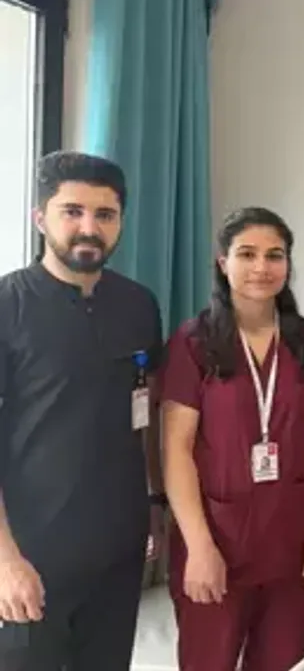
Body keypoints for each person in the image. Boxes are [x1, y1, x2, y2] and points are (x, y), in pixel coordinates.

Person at [0, 151, 165, 669]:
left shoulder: (139, 305)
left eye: (105, 214)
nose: (89, 228)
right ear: (40, 217)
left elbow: (147, 411)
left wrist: (155, 507)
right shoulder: (9, 305)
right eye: (72, 211)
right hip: (33, 554)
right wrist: (5, 560)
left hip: (118, 552)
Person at [160, 207, 304, 671]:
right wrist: (198, 546)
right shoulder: (194, 342)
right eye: (247, 254)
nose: (262, 267)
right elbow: (176, 448)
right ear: (223, 263)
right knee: (208, 661)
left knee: (281, 660)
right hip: (217, 536)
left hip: (291, 539)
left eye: (274, 255)